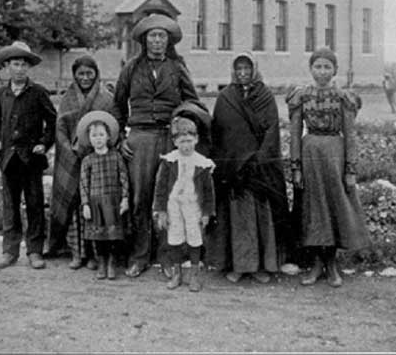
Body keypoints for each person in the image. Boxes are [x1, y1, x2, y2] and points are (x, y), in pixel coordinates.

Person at [112, 13, 207, 278]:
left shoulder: (177, 68)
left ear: (168, 41)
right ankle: (140, 256)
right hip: (139, 138)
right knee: (140, 197)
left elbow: (194, 103)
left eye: (161, 36)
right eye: (152, 36)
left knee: (169, 196)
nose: (156, 41)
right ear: (144, 40)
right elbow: (117, 107)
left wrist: (181, 124)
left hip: (168, 137)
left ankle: (168, 257)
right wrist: (120, 137)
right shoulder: (131, 68)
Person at [205, 52, 292, 284]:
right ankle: (237, 265)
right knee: (236, 219)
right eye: (239, 69)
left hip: (258, 169)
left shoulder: (265, 96)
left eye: (247, 68)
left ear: (254, 69)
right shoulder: (225, 97)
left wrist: (258, 159)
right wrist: (229, 163)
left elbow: (272, 130)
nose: (243, 73)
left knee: (259, 217)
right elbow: (220, 132)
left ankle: (260, 266)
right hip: (234, 171)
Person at [286, 48, 370, 287]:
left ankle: (332, 266)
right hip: (310, 154)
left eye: (327, 67)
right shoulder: (300, 96)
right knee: (313, 210)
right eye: (317, 67)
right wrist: (296, 168)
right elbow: (294, 135)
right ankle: (315, 265)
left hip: (335, 155)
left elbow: (350, 135)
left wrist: (350, 170)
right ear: (310, 69)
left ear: (335, 70)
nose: (322, 72)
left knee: (333, 209)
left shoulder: (343, 97)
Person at [0, 41, 57, 270]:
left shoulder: (37, 93)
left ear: (29, 68)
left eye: (24, 65)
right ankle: (10, 251)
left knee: (35, 205)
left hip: (31, 160)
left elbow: (53, 122)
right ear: (7, 67)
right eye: (16, 64)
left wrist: (44, 143)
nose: (20, 69)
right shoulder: (1, 94)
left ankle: (35, 251)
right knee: (11, 206)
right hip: (9, 159)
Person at [47, 55, 114, 271]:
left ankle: (94, 254)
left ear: (96, 74)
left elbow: (114, 127)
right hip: (72, 159)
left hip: (97, 159)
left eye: (89, 73)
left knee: (95, 206)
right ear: (75, 75)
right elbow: (60, 127)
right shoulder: (67, 98)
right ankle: (76, 252)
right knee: (74, 205)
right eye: (81, 74)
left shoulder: (106, 98)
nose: (85, 78)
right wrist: (69, 150)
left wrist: (96, 149)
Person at [152, 117, 215, 292]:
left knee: (195, 240)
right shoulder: (169, 161)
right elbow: (161, 188)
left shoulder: (201, 163)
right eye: (181, 142)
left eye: (189, 141)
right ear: (174, 142)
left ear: (196, 139)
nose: (186, 146)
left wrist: (206, 213)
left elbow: (209, 192)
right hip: (174, 207)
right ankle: (177, 273)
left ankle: (194, 275)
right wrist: (161, 211)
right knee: (175, 239)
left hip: (193, 206)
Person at [77, 111, 130, 280]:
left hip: (113, 202)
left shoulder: (116, 157)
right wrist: (85, 204)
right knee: (99, 237)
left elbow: (124, 179)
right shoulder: (88, 160)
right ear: (89, 139)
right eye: (94, 135)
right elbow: (83, 184)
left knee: (113, 236)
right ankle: (101, 263)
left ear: (108, 137)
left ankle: (112, 263)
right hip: (95, 203)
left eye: (101, 135)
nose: (98, 139)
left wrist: (125, 198)